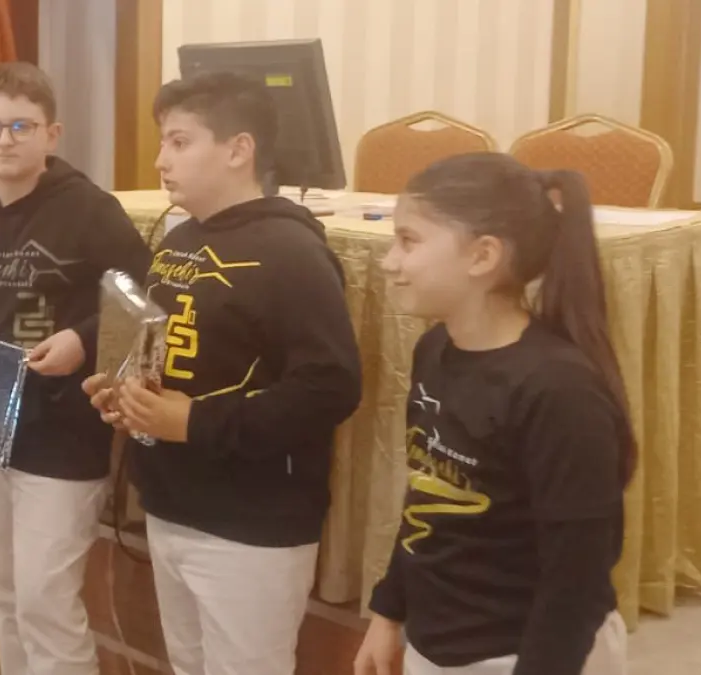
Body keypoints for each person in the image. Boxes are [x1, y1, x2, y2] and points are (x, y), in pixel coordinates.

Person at [84, 71, 363, 675]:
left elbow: (331, 386)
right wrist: (125, 393)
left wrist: (194, 421)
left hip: (250, 521)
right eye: (163, 141)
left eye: (180, 142)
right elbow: (166, 353)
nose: (160, 160)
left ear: (239, 150)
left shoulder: (292, 253)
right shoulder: (177, 241)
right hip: (172, 500)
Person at [351, 153, 634, 675]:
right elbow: (428, 497)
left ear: (482, 256)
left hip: (527, 653)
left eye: (408, 241)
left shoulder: (559, 391)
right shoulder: (435, 349)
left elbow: (578, 579)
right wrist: (389, 612)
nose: (389, 261)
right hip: (441, 641)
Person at [0, 62, 150, 675]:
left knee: (45, 604)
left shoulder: (91, 210)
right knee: (5, 594)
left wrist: (83, 339)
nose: (5, 140)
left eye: (21, 126)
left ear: (51, 134)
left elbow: (143, 298)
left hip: (62, 430)